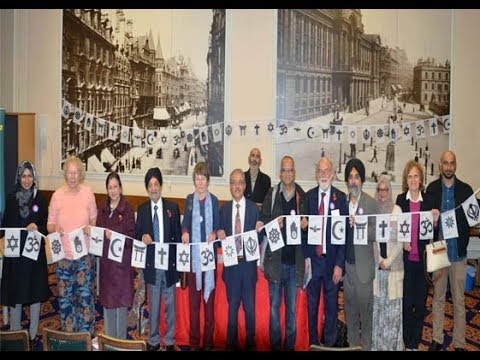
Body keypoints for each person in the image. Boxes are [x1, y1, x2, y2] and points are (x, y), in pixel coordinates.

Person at [256, 155, 305, 351]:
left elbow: (309, 229)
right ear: (280, 173)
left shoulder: (302, 196)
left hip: (294, 264)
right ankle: (276, 347)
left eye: (290, 170)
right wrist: (271, 224)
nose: (287, 173)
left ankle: (290, 347)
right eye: (284, 170)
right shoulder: (272, 194)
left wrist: (305, 226)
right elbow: (262, 222)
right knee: (274, 310)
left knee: (291, 312)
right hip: (275, 264)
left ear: (294, 172)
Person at [427, 150, 473, 351]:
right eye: (445, 163)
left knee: (459, 301)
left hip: (459, 253)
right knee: (437, 298)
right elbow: (425, 223)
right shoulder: (432, 189)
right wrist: (433, 219)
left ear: (455, 165)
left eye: (451, 163)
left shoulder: (465, 190)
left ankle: (460, 342)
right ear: (440, 165)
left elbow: (472, 218)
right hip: (439, 252)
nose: (448, 167)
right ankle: (437, 339)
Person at [0, 161, 50, 348]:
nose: (27, 180)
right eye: (24, 176)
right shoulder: (11, 198)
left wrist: (37, 226)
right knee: (16, 292)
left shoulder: (41, 199)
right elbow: (4, 225)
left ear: (33, 177)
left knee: (35, 292)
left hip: (34, 254)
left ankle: (33, 332)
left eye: (30, 176)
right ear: (19, 177)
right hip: (15, 256)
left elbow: (46, 225)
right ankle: (14, 332)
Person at [47, 155, 97, 336]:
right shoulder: (57, 196)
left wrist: (89, 228)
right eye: (69, 172)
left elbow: (93, 218)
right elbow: (49, 224)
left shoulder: (88, 193)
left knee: (85, 298)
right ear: (65, 174)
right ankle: (69, 337)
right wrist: (55, 228)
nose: (73, 176)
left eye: (76, 172)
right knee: (66, 299)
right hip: (63, 257)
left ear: (81, 174)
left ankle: (86, 337)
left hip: (84, 256)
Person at [301, 157, 348, 349]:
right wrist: (306, 257)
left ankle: (329, 345)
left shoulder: (341, 198)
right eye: (320, 171)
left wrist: (339, 264)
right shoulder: (308, 197)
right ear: (316, 174)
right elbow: (303, 234)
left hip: (331, 264)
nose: (323, 174)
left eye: (326, 170)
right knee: (312, 307)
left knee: (331, 308)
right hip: (313, 262)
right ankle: (313, 343)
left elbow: (344, 235)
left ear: (333, 173)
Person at [135, 167, 181, 351]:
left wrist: (178, 269)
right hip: (152, 266)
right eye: (150, 185)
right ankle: (153, 340)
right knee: (153, 306)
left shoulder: (172, 208)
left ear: (160, 185)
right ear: (147, 188)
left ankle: (169, 340)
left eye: (156, 184)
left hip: (168, 266)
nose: (153, 188)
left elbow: (177, 238)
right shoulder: (143, 209)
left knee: (170, 305)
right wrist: (142, 237)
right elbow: (137, 234)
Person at [396, 160, 439, 351]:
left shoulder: (429, 201)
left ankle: (415, 343)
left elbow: (433, 234)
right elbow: (394, 228)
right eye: (410, 176)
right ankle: (407, 340)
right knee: (405, 305)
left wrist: (436, 221)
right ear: (406, 179)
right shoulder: (400, 200)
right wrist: (401, 240)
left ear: (421, 179)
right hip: (404, 263)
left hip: (422, 263)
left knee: (420, 306)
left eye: (416, 176)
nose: (413, 179)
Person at [217, 169, 261, 351]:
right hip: (232, 268)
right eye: (233, 182)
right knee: (232, 307)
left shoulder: (253, 209)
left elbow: (261, 237)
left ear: (244, 185)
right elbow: (218, 232)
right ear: (230, 186)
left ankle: (251, 342)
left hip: (248, 267)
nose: (237, 186)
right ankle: (230, 343)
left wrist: (261, 228)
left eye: (240, 182)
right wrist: (219, 232)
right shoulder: (224, 210)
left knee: (250, 308)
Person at [181, 162, 220, 351]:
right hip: (194, 261)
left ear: (208, 180)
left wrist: (214, 233)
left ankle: (208, 343)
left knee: (210, 307)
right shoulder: (189, 200)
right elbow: (184, 225)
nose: (200, 182)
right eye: (197, 178)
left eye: (203, 178)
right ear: (194, 180)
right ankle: (194, 343)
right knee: (194, 305)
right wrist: (185, 232)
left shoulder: (214, 200)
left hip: (209, 261)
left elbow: (219, 227)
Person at [343, 158, 378, 351]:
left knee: (366, 315)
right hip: (346, 269)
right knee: (350, 313)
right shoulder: (341, 202)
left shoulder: (370, 203)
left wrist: (360, 225)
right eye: (350, 177)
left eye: (357, 177)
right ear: (347, 180)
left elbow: (376, 233)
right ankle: (352, 346)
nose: (353, 181)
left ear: (362, 180)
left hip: (363, 269)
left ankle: (366, 348)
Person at [96, 172, 135, 339]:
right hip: (105, 265)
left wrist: (116, 237)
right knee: (108, 304)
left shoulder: (128, 208)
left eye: (115, 187)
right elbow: (98, 234)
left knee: (120, 305)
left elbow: (132, 239)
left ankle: (120, 342)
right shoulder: (102, 208)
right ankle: (109, 341)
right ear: (107, 189)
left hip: (121, 266)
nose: (113, 191)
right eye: (110, 187)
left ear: (120, 188)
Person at [371, 175, 404, 351]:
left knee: (392, 313)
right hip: (377, 270)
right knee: (379, 312)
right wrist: (379, 261)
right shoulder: (373, 211)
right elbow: (371, 240)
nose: (382, 193)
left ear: (390, 191)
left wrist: (388, 261)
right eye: (379, 189)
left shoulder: (397, 211)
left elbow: (401, 241)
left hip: (394, 270)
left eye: (385, 189)